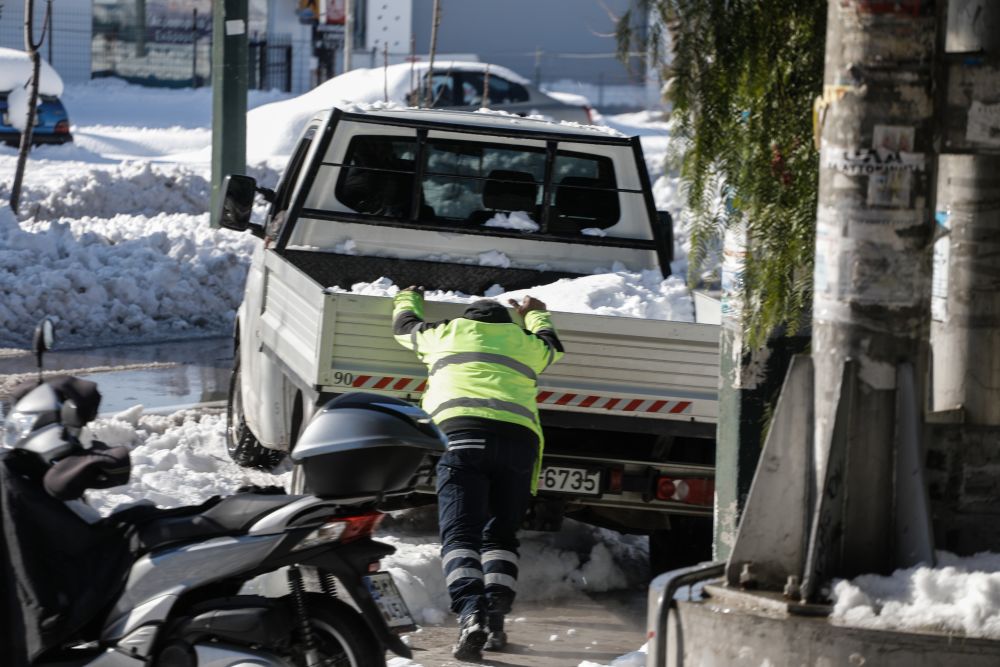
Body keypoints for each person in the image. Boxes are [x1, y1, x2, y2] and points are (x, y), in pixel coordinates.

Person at [391, 286, 564, 661]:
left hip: (463, 439)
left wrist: (408, 298)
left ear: (468, 318)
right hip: (519, 444)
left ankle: (472, 615)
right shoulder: (525, 343)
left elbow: (404, 327)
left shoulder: (445, 333)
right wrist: (536, 314)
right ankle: (495, 620)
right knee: (500, 535)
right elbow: (551, 344)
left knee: (460, 536)